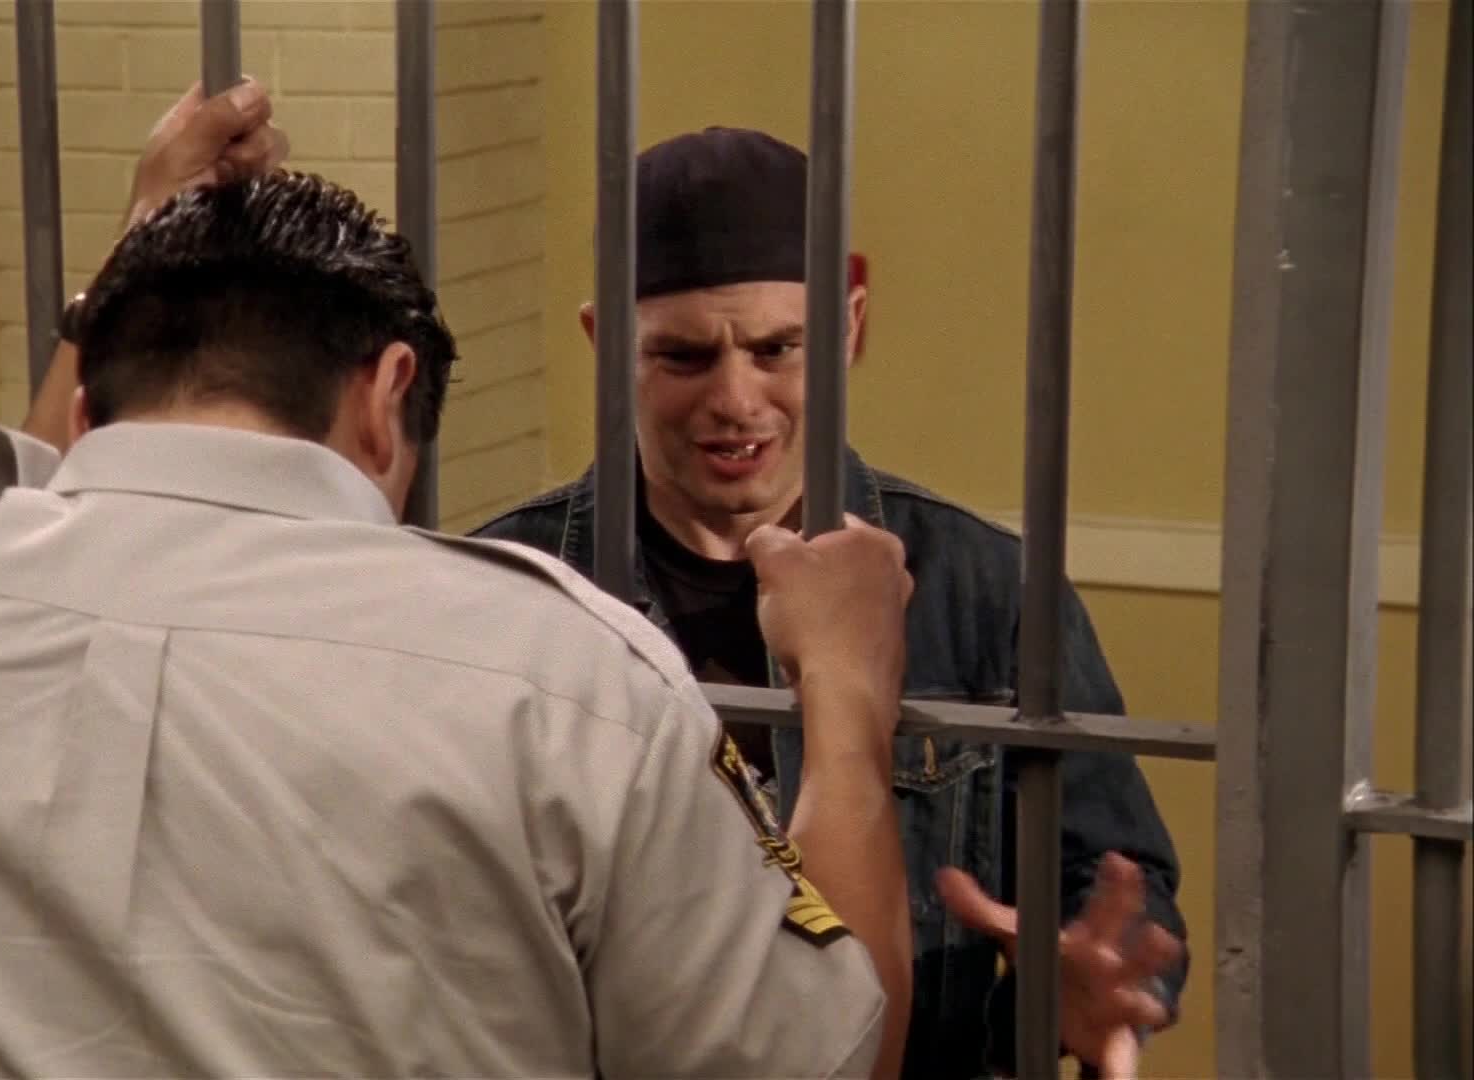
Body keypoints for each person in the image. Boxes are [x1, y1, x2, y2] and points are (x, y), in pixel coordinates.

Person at [0, 93, 927, 1077]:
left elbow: (39, 495)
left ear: (86, 407)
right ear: (387, 396)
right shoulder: (563, 681)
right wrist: (844, 700)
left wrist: (142, 254)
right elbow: (830, 1058)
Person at [470, 126, 1188, 1079]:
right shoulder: (505, 590)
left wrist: (1081, 991)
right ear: (607, 348)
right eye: (684, 357)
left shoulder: (987, 588)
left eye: (777, 348)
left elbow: (1115, 889)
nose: (736, 399)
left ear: (850, 325)